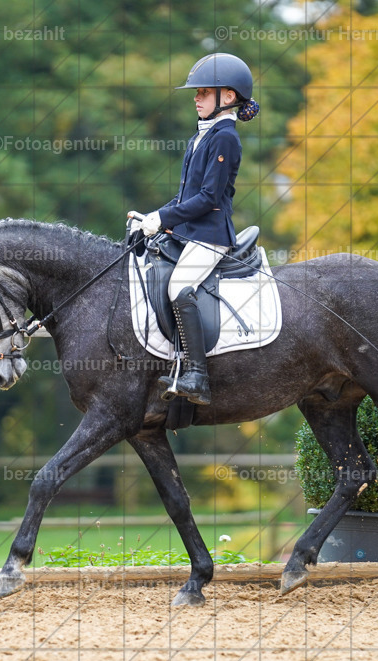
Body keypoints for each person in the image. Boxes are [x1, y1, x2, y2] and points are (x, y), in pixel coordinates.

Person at [131, 53, 259, 405]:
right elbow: (184, 196)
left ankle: (198, 376)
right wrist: (153, 219)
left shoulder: (225, 138)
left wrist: (163, 218)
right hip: (189, 233)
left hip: (211, 236)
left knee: (179, 287)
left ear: (228, 96)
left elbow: (208, 198)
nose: (196, 98)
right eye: (197, 92)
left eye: (203, 92)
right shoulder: (200, 137)